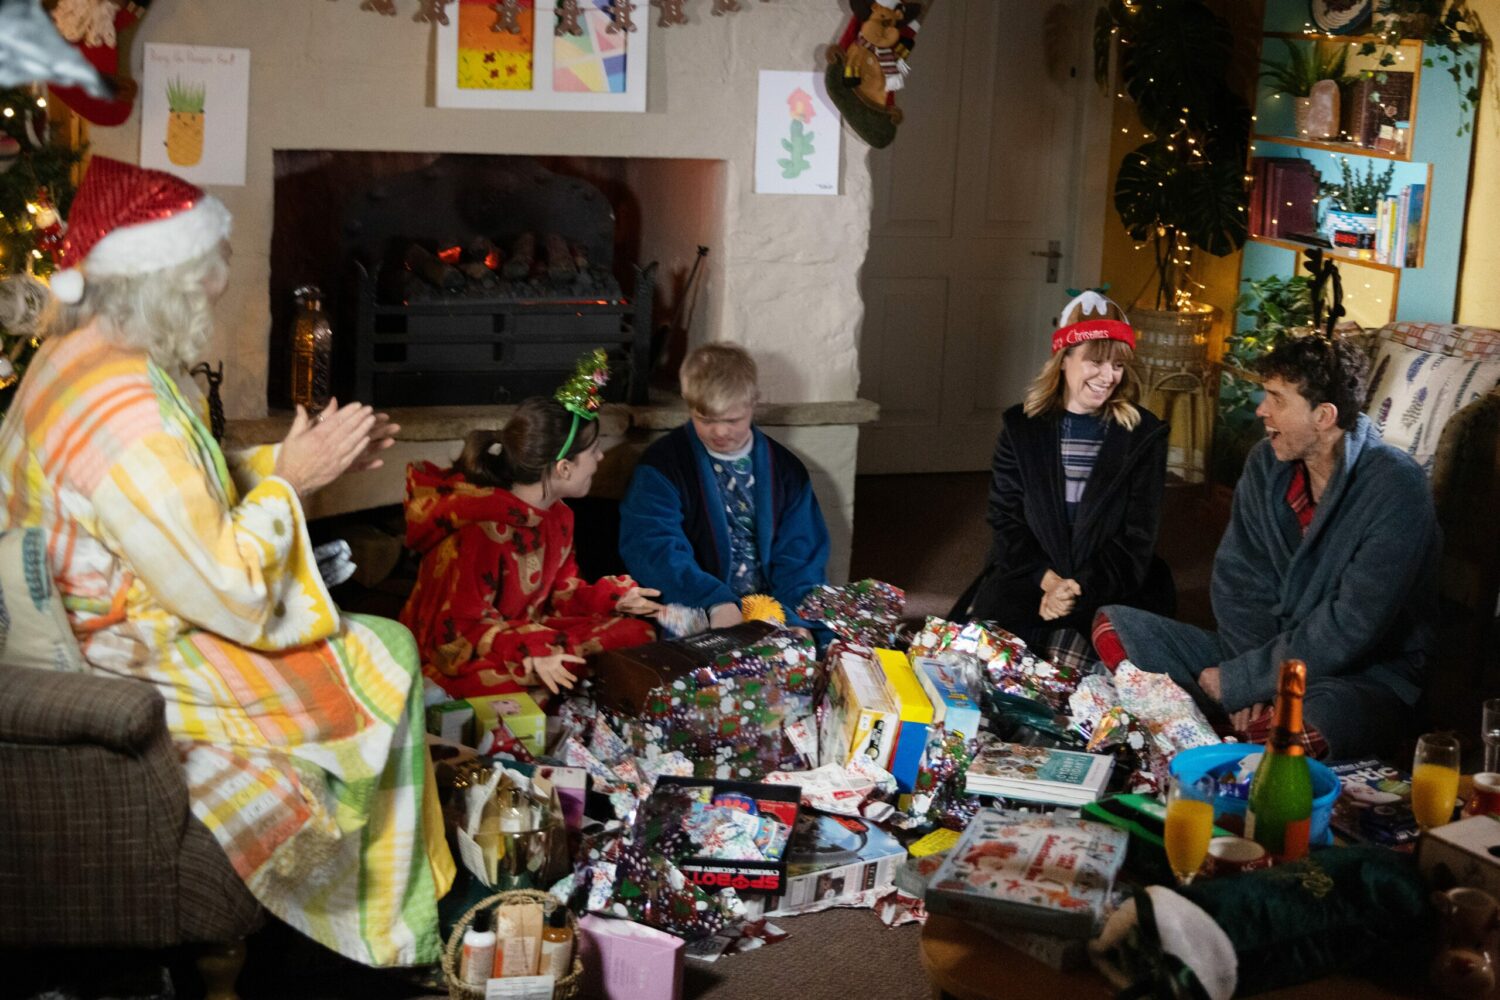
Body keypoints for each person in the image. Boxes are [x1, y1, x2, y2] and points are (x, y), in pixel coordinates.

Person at [0, 157, 453, 966]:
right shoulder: (126, 416)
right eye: (204, 274)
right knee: (385, 657)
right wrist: (298, 480)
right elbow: (235, 591)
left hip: (114, 617)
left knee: (380, 646)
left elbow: (181, 506)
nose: (216, 291)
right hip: (123, 657)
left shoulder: (87, 360)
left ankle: (386, 905)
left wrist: (294, 460)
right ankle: (379, 926)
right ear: (156, 281)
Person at [1094, 335, 1440, 760]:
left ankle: (1193, 731)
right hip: (1260, 655)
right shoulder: (1266, 463)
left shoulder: (1396, 488)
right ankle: (1224, 734)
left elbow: (1350, 626)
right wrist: (1249, 682)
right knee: (1113, 626)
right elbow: (1240, 582)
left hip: (1358, 675)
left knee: (1302, 729)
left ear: (1324, 416)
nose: (1262, 409)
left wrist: (1245, 682)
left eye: (1276, 398)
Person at [400, 369, 661, 703]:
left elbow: (563, 592)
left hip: (530, 632)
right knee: (513, 694)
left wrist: (612, 597)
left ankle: (551, 687)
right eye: (594, 450)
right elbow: (457, 630)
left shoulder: (560, 516)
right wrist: (530, 649)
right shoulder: (481, 530)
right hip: (463, 649)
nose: (599, 459)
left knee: (637, 633)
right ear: (564, 468)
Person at [956, 290, 1174, 670]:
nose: (1108, 377)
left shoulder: (1144, 435)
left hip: (1108, 584)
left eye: (1118, 366)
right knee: (978, 665)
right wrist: (1049, 582)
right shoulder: (1021, 428)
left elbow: (1136, 539)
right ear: (1064, 359)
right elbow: (1006, 520)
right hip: (1031, 576)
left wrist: (1073, 589)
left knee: (1071, 671)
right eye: (1096, 362)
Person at [618, 343, 831, 634]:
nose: (719, 431)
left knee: (820, 645)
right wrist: (715, 601)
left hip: (774, 606)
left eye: (732, 420)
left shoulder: (786, 471)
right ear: (687, 402)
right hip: (698, 605)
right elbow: (653, 546)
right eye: (705, 419)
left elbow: (801, 554)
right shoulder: (662, 466)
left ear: (753, 403)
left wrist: (792, 618)